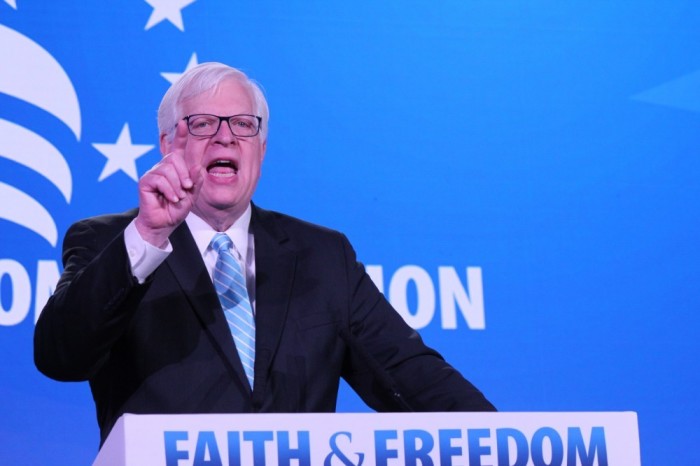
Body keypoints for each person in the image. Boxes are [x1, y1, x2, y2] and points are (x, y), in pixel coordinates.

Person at [34, 62, 495, 446]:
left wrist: (512, 440)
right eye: (202, 124)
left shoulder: (323, 256)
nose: (225, 137)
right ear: (167, 144)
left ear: (262, 147)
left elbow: (409, 375)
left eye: (242, 124)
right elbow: (61, 356)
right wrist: (149, 235)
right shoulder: (108, 241)